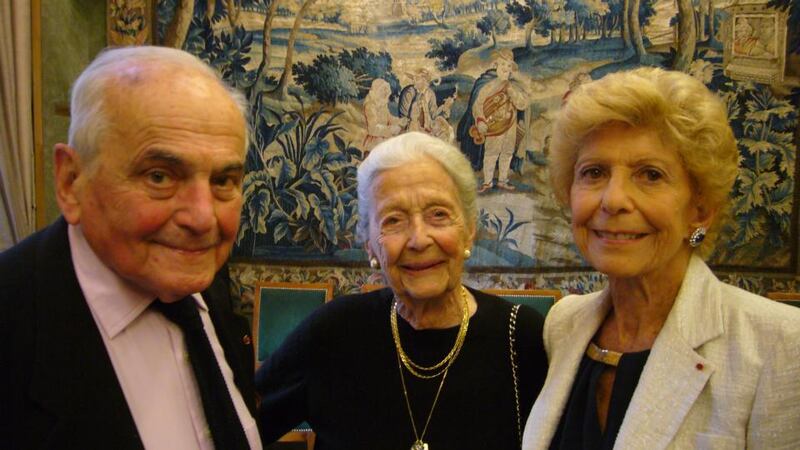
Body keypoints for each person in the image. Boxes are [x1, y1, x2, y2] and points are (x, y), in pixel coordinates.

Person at [522, 67, 800, 449]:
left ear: (700, 209)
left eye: (650, 175)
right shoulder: (563, 325)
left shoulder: (780, 345)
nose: (614, 200)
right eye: (594, 172)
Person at [0, 46, 262, 449]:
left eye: (223, 181)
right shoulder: (15, 324)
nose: (202, 218)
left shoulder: (205, 284)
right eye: (160, 177)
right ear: (71, 181)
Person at [256, 132, 548, 449]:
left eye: (438, 214)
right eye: (393, 220)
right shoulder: (332, 333)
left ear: (469, 230)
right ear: (369, 242)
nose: (419, 239)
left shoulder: (521, 338)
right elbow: (230, 428)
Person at [458, 49, 528, 193]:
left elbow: (522, 104)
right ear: (496, 66)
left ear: (511, 70)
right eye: (502, 64)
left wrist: (512, 92)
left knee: (507, 152)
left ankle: (503, 180)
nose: (504, 68)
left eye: (508, 66)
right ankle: (488, 182)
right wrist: (481, 121)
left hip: (510, 125)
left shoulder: (514, 87)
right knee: (491, 153)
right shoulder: (488, 87)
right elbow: (477, 105)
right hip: (493, 126)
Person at [363, 78, 407, 151]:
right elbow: (372, 129)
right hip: (374, 142)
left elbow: (390, 118)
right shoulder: (370, 106)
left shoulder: (383, 105)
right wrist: (390, 130)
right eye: (383, 89)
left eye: (386, 89)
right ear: (377, 90)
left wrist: (400, 121)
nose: (385, 92)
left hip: (384, 138)